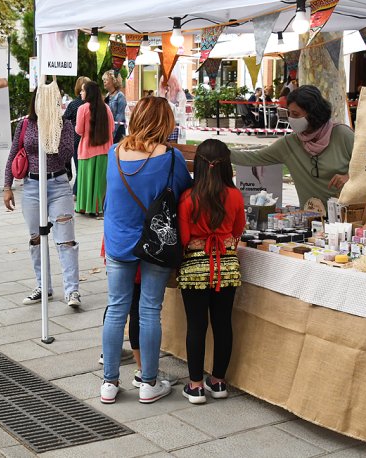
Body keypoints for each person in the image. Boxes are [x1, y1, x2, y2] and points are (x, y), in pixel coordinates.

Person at [101, 96, 192, 405]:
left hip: (117, 241)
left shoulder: (114, 153)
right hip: (155, 242)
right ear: (164, 122)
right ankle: (148, 383)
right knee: (149, 309)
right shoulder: (171, 158)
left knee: (116, 309)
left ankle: (109, 383)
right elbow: (183, 192)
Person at [177, 139, 246, 404]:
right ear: (226, 165)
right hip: (226, 268)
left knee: (196, 325)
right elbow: (238, 230)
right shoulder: (235, 195)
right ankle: (218, 382)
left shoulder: (187, 198)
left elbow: (183, 238)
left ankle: (195, 386)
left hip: (194, 268)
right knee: (223, 323)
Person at [3, 90, 81, 308]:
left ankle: (72, 290)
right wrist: (6, 186)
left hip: (57, 184)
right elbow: (13, 153)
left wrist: (52, 130)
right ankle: (43, 286)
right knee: (36, 238)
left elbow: (66, 155)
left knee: (65, 239)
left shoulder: (63, 124)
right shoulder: (25, 124)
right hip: (31, 185)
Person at [231, 85, 353, 206]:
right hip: (312, 217)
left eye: (295, 114)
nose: (291, 119)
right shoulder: (289, 143)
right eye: (289, 113)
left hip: (354, 216)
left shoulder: (342, 135)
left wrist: (349, 177)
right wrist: (219, 151)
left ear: (313, 114)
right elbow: (253, 158)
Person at [75, 81, 114, 216]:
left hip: (87, 150)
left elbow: (79, 130)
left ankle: (84, 206)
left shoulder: (83, 109)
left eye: (83, 90)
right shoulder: (107, 108)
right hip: (105, 151)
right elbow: (112, 129)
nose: (81, 93)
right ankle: (99, 208)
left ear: (89, 93)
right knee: (100, 181)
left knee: (86, 181)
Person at [62, 77, 91, 195]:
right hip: (90, 139)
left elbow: (64, 119)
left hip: (76, 138)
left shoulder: (73, 104)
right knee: (87, 168)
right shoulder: (93, 104)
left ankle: (77, 191)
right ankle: (81, 191)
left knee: (79, 167)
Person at [103, 70, 127, 143]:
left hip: (117, 131)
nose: (104, 82)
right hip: (109, 129)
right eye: (104, 80)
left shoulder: (120, 96)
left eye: (106, 79)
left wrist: (112, 132)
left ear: (114, 81)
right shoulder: (107, 95)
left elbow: (120, 116)